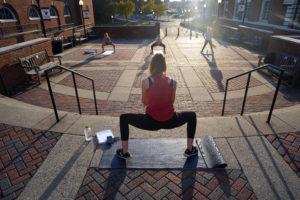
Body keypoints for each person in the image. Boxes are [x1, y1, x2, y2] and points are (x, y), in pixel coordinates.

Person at [116, 53, 197, 159]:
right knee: (192, 116)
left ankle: (125, 152)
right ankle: (189, 150)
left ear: (152, 65)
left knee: (123, 118)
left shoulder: (146, 81)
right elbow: (171, 102)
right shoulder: (173, 82)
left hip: (151, 122)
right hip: (170, 120)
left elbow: (145, 102)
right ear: (164, 66)